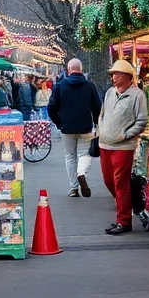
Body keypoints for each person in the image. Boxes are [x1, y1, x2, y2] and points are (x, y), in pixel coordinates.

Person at [97, 59, 148, 235]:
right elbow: (102, 114)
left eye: (117, 74)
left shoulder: (137, 95)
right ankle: (126, 208)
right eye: (112, 74)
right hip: (105, 143)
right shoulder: (110, 93)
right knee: (108, 180)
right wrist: (101, 131)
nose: (113, 77)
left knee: (121, 182)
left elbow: (142, 120)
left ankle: (123, 220)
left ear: (127, 76)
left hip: (124, 146)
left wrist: (126, 134)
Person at [48, 59, 102, 198]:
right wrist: (97, 123)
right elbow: (97, 106)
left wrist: (59, 123)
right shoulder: (90, 85)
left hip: (67, 127)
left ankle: (73, 188)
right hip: (85, 126)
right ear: (81, 69)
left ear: (69, 69)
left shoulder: (59, 86)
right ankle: (81, 173)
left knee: (70, 156)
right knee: (84, 154)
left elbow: (51, 107)